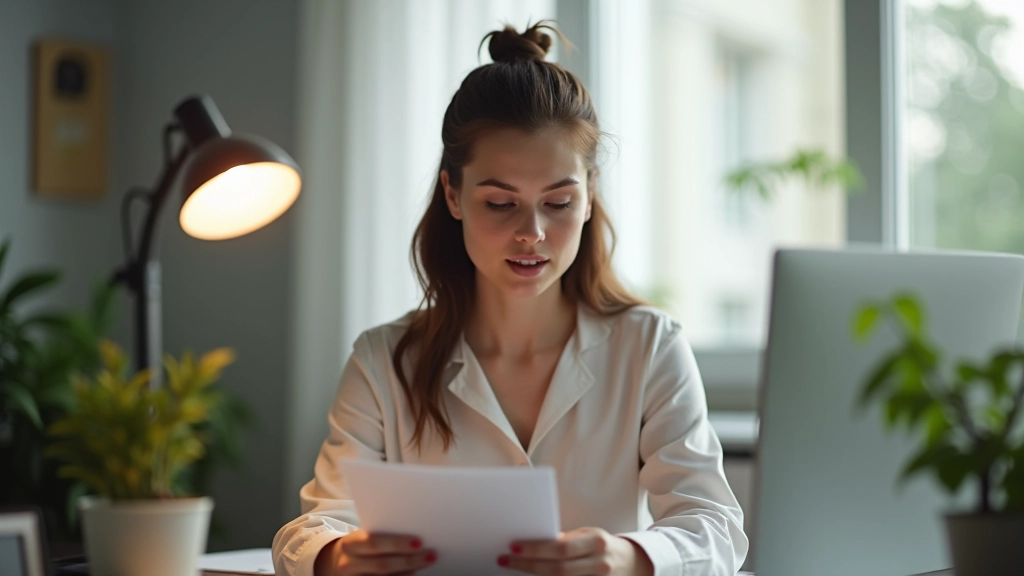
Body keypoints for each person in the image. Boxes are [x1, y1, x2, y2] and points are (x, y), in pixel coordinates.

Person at [273, 22, 748, 576]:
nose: (533, 234)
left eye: (559, 202)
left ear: (591, 196)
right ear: (454, 194)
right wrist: (336, 554)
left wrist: (629, 556)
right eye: (501, 203)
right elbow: (315, 525)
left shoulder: (649, 347)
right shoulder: (384, 360)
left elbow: (714, 526)